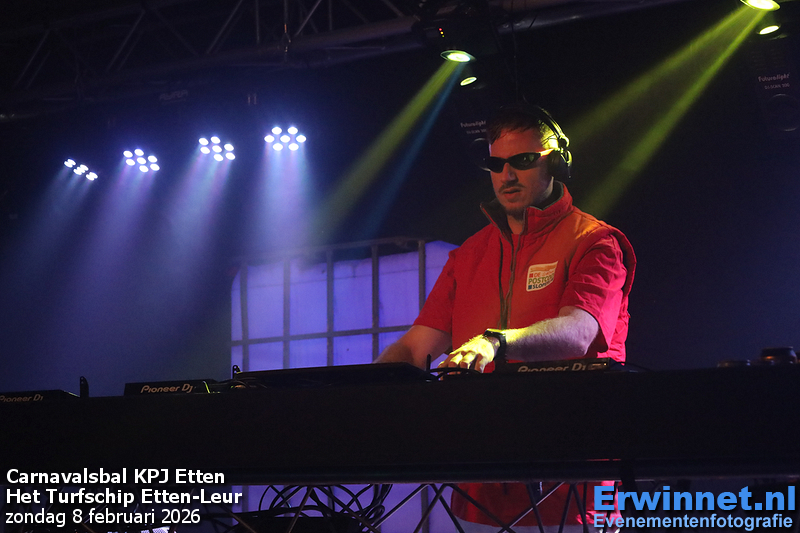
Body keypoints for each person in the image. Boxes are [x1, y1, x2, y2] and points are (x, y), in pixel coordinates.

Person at [375, 103, 636, 532]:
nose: (507, 175)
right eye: (496, 164)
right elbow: (416, 346)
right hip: (477, 495)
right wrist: (368, 385)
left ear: (556, 163)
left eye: (524, 160)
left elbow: (579, 332)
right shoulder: (469, 255)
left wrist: (494, 341)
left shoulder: (594, 242)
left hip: (572, 493)